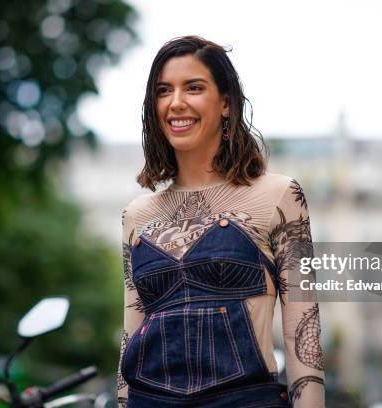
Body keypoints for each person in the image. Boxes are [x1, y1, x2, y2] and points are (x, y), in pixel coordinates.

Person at [116, 35, 325, 408]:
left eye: (193, 88)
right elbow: (130, 336)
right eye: (164, 91)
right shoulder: (137, 216)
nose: (176, 102)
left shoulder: (279, 197)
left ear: (226, 103)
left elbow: (301, 331)